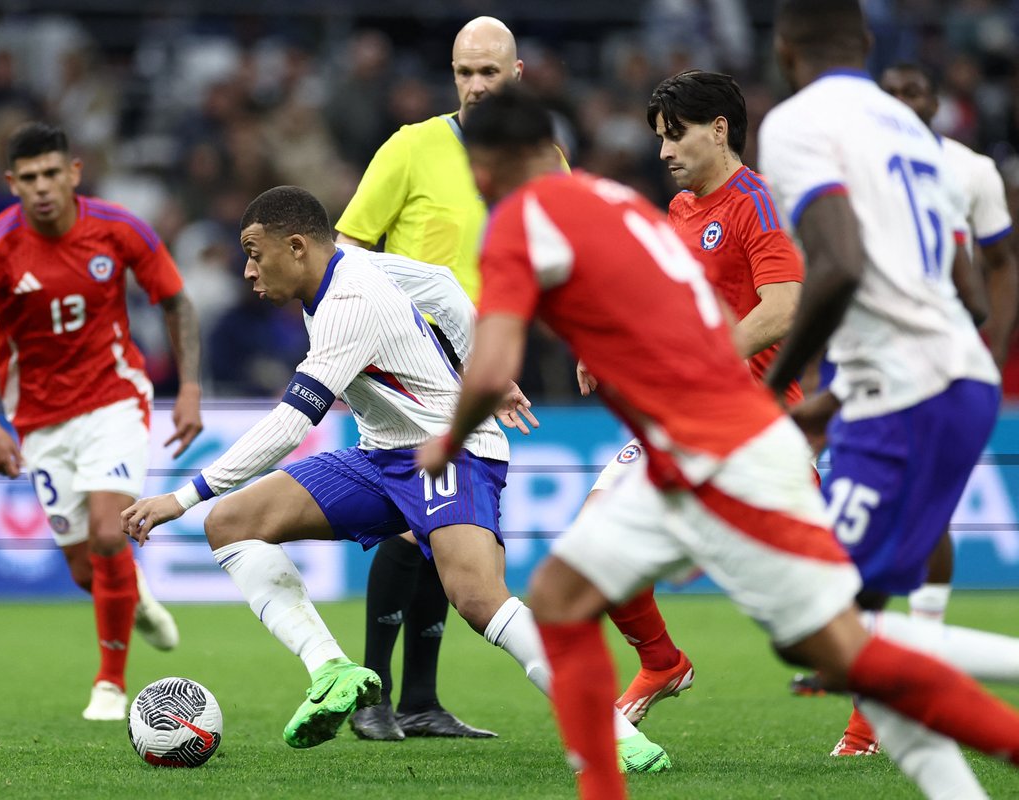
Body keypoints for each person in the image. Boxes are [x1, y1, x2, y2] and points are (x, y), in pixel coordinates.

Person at [419, 82, 1019, 800]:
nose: (666, 150)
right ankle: (614, 765)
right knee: (561, 593)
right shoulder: (618, 201)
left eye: (474, 168)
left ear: (490, 163)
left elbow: (490, 365)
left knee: (834, 649)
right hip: (686, 448)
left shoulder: (522, 219)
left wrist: (448, 438)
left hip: (728, 449)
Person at [119, 186, 557, 752]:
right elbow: (444, 287)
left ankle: (605, 725)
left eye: (255, 252)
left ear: (297, 246)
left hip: (451, 448)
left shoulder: (349, 304)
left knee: (476, 598)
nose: (248, 270)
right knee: (230, 523)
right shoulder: (352, 263)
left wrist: (179, 499)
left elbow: (290, 425)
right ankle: (332, 671)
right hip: (382, 455)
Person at [333, 14, 619, 755]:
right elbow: (347, 247)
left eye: (490, 72)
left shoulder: (542, 160)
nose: (476, 85)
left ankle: (421, 699)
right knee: (413, 522)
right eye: (465, 72)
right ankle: (374, 692)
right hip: (407, 368)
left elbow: (569, 262)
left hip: (486, 370)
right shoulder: (411, 146)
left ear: (518, 74)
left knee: (448, 534)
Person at [759, 0, 1019, 764]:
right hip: (952, 382)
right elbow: (956, 290)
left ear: (782, 51)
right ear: (867, 45)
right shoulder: (911, 129)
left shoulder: (800, 125)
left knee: (808, 621)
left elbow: (836, 265)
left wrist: (774, 386)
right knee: (855, 627)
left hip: (909, 396)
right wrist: (837, 400)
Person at [0, 122, 202, 721]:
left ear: (74, 172)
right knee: (87, 568)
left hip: (114, 400)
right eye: (28, 178)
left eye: (52, 173)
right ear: (12, 184)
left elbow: (175, 300)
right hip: (39, 422)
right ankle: (134, 597)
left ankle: (110, 685)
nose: (42, 188)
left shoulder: (118, 227)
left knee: (111, 533)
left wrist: (188, 386)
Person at [576, 69, 807, 731]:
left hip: (757, 423)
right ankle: (661, 662)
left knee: (803, 602)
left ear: (720, 129)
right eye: (659, 138)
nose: (663, 151)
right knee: (595, 546)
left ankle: (877, 709)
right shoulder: (680, 211)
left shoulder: (756, 202)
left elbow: (784, 309)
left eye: (675, 136)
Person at [879, 61, 1017, 625]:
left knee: (922, 504)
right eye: (891, 94)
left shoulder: (970, 171)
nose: (904, 102)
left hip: (942, 360)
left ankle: (920, 638)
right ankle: (865, 650)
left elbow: (999, 267)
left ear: (937, 103)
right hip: (870, 355)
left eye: (916, 91)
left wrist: (995, 345)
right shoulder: (853, 164)